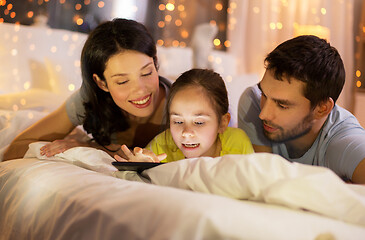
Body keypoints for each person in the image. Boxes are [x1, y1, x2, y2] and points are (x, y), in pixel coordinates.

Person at [3, 18, 170, 161]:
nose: (140, 90)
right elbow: (15, 149)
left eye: (147, 72)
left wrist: (95, 147)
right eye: (123, 81)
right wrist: (85, 148)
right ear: (101, 83)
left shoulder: (183, 102)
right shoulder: (90, 100)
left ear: (155, 64)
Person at [238, 35, 365, 184]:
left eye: (282, 105)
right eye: (264, 95)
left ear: (321, 109)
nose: (263, 114)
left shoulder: (346, 144)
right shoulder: (252, 100)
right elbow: (265, 179)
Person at [115, 68, 254, 163]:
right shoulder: (162, 145)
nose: (186, 133)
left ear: (223, 123)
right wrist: (139, 167)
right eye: (178, 121)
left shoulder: (238, 145)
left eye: (199, 122)